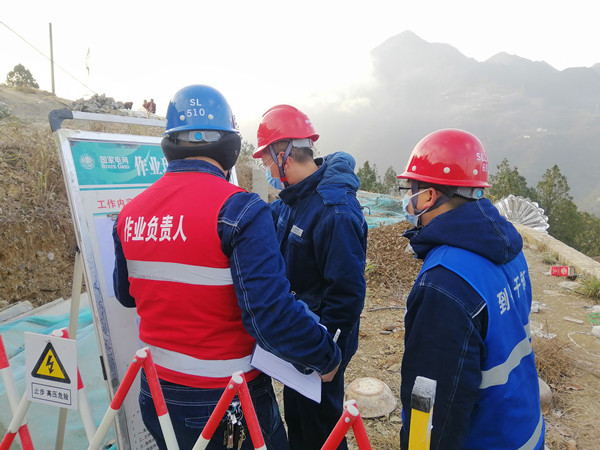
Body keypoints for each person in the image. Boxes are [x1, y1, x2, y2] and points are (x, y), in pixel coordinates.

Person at [113, 85, 341, 450]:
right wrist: (325, 357)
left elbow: (126, 295)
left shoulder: (130, 214)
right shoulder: (240, 210)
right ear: (230, 146)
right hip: (226, 401)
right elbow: (270, 316)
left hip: (155, 394)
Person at [397, 128, 545, 449]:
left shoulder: (443, 283)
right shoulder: (508, 249)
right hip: (522, 427)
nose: (407, 200)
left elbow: (431, 407)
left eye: (411, 189)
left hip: (485, 439)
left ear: (429, 196)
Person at [253, 105, 368, 450]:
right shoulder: (293, 200)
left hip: (323, 344)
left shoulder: (334, 212)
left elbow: (347, 294)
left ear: (284, 155)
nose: (266, 168)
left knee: (322, 428)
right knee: (299, 418)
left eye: (267, 159)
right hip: (302, 338)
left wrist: (328, 355)